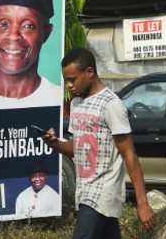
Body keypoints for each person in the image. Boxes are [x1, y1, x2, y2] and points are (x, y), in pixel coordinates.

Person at [40, 48, 156, 238]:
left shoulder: (111, 105)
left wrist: (142, 203)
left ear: (90, 72)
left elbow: (129, 155)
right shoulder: (77, 104)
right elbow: (77, 148)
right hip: (85, 191)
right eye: (66, 80)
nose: (69, 85)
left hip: (103, 192)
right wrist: (55, 144)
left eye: (73, 79)